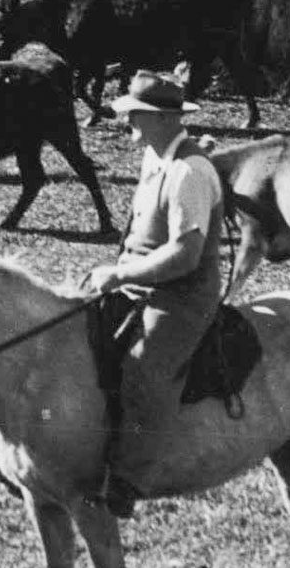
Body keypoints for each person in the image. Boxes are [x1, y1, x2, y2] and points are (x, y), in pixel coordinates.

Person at [88, 69, 226, 517]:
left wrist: (120, 276)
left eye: (136, 114)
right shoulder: (155, 157)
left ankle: (129, 479)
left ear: (163, 119)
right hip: (135, 278)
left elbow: (185, 257)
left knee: (144, 367)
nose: (128, 121)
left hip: (181, 295)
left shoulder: (189, 171)